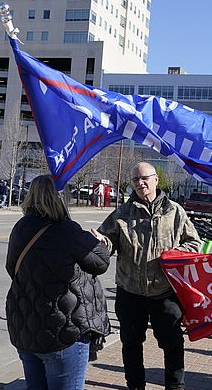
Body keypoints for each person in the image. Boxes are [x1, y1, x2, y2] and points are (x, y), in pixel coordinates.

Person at [94, 162, 202, 390]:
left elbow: (195, 243)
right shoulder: (122, 212)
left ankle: (175, 386)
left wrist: (175, 255)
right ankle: (135, 385)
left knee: (172, 343)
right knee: (131, 344)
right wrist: (102, 242)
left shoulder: (174, 211)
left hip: (164, 292)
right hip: (130, 292)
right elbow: (108, 240)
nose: (139, 183)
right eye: (135, 180)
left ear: (155, 180)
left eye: (143, 178)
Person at [5, 174, 110, 390]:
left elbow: (11, 268)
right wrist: (100, 243)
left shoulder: (20, 228)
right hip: (64, 333)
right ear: (60, 198)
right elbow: (100, 263)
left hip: (26, 329)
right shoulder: (66, 230)